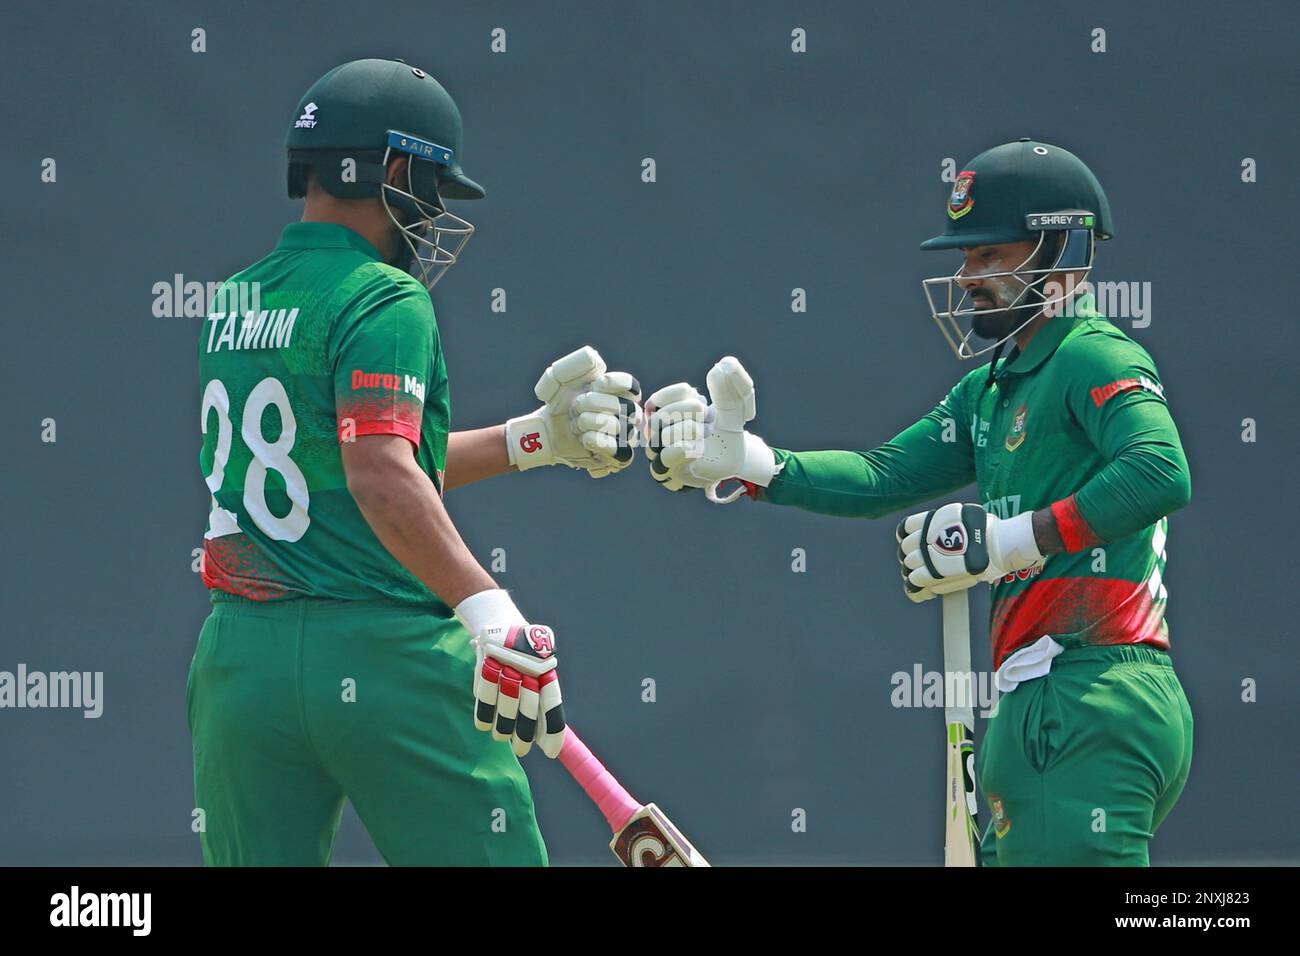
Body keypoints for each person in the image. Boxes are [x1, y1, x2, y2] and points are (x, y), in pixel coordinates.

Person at [644, 139, 1194, 866]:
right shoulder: (993, 386)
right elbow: (881, 477)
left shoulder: (1092, 354)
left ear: (1060, 253)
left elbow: (1160, 471)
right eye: (964, 258)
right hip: (1047, 697)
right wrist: (752, 461)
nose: (966, 277)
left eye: (989, 255)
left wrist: (1009, 541)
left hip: (1089, 692)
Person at [190, 58, 641, 865]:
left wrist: (534, 439)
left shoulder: (236, 299)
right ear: (393, 170)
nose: (432, 214)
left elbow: (355, 464)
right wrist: (487, 608)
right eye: (430, 186)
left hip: (239, 666)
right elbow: (381, 475)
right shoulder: (385, 297)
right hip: (383, 656)